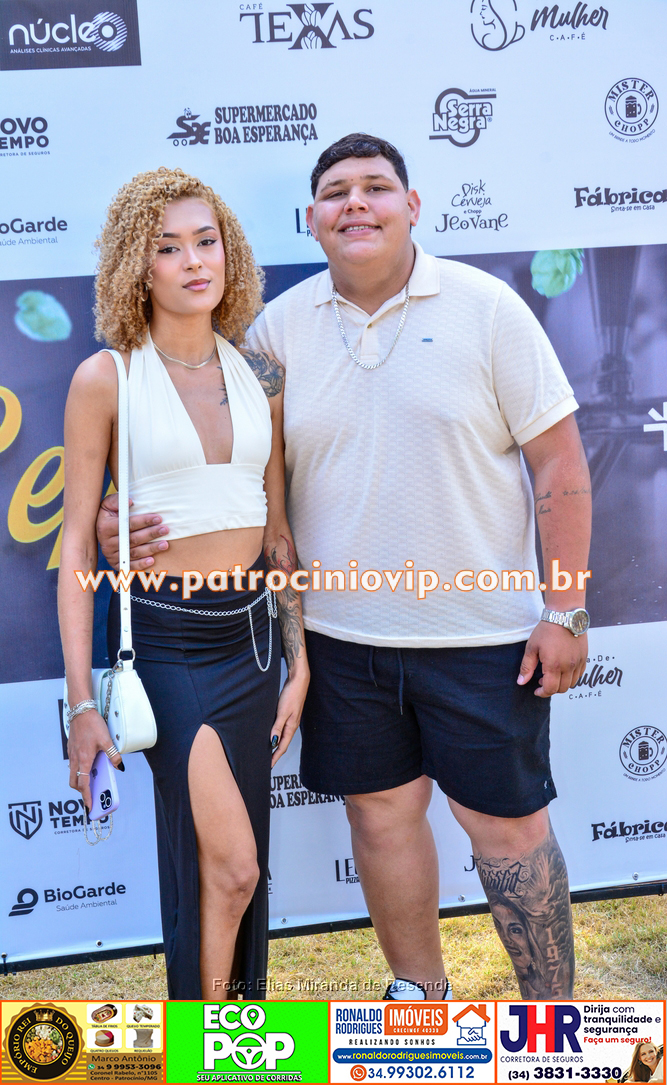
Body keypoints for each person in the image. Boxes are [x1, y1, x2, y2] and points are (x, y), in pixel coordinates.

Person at [98, 134, 591, 1000]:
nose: (355, 202)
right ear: (312, 219)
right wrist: (119, 521)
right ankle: (419, 999)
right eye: (335, 192)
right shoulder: (275, 332)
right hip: (340, 642)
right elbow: (223, 470)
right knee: (381, 818)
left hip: (481, 634)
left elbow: (560, 466)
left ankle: (552, 1023)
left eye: (375, 186)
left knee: (507, 831)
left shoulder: (487, 308)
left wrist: (566, 608)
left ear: (412, 206)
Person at [58, 167, 309, 1000]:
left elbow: (277, 533)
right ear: (137, 266)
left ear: (230, 253)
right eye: (168, 248)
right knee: (232, 866)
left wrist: (299, 660)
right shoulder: (107, 377)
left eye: (207, 241)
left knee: (236, 869)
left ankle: (227, 1031)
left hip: (253, 645)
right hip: (168, 646)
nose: (193, 261)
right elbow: (76, 546)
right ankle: (206, 1039)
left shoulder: (262, 376)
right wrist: (82, 705)